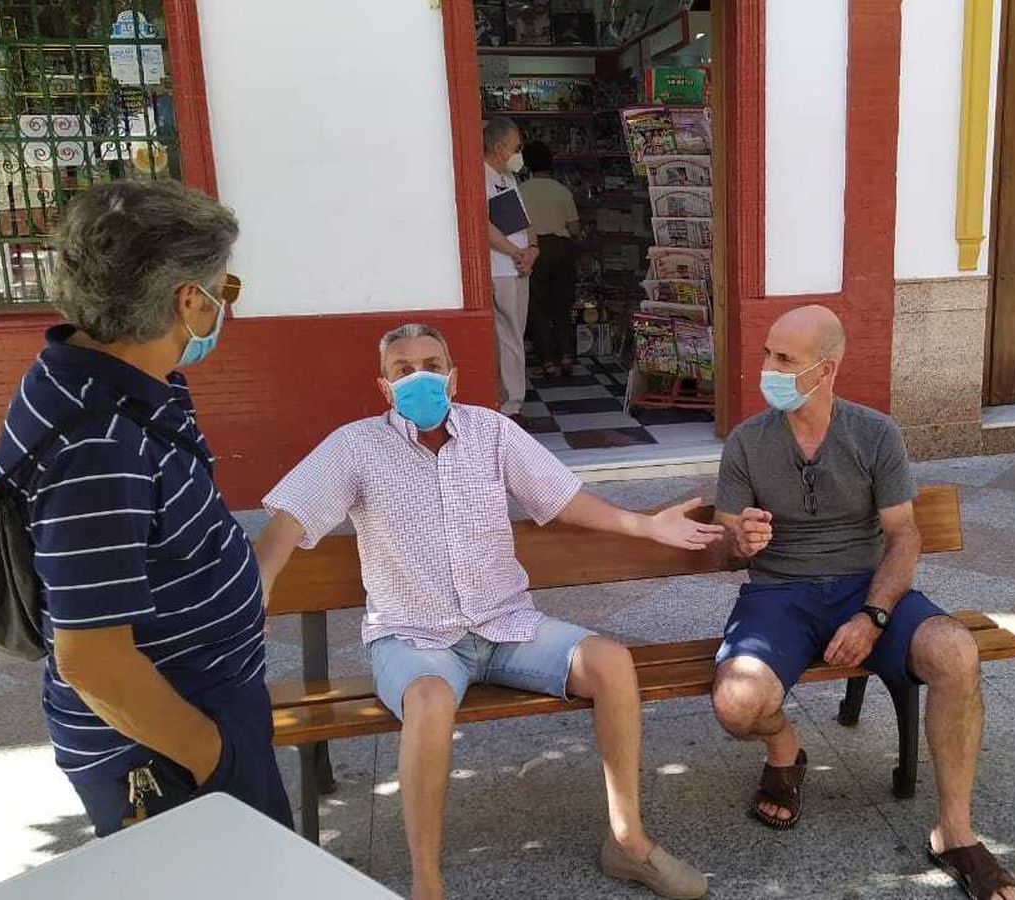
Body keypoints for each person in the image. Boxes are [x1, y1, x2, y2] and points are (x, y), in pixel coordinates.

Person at [252, 324, 716, 900]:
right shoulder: (356, 446)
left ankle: (628, 842)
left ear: (453, 376)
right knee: (429, 699)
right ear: (384, 385)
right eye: (403, 368)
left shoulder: (492, 432)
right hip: (415, 637)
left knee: (612, 662)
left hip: (506, 625)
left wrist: (646, 523)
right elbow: (290, 518)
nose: (418, 375)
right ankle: (427, 883)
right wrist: (260, 584)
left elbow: (563, 499)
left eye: (431, 363)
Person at [0, 181, 291, 836]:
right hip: (160, 748)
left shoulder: (113, 382)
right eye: (225, 288)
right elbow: (92, 660)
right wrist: (215, 758)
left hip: (201, 708)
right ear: (190, 301)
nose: (224, 303)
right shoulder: (97, 442)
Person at [709, 306, 1015, 900]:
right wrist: (737, 540)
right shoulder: (746, 443)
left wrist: (873, 615)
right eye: (767, 355)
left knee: (955, 651)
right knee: (736, 705)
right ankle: (785, 747)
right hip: (778, 592)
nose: (767, 369)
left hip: (864, 584)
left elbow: (904, 536)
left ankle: (954, 832)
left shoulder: (875, 434)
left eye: (785, 360)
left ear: (825, 371)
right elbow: (725, 550)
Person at [483, 117, 537, 417]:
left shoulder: (509, 178)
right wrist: (516, 253)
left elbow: (524, 220)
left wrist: (532, 250)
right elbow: (484, 225)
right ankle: (509, 406)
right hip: (500, 269)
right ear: (500, 146)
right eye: (516, 147)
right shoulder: (481, 176)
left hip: (518, 268)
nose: (519, 153)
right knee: (508, 336)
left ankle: (512, 400)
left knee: (514, 334)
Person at [518, 140, 582, 380]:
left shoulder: (521, 191)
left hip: (534, 250)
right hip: (561, 249)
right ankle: (566, 356)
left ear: (526, 164)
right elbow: (574, 228)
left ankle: (548, 364)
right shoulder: (561, 190)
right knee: (562, 305)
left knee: (537, 308)